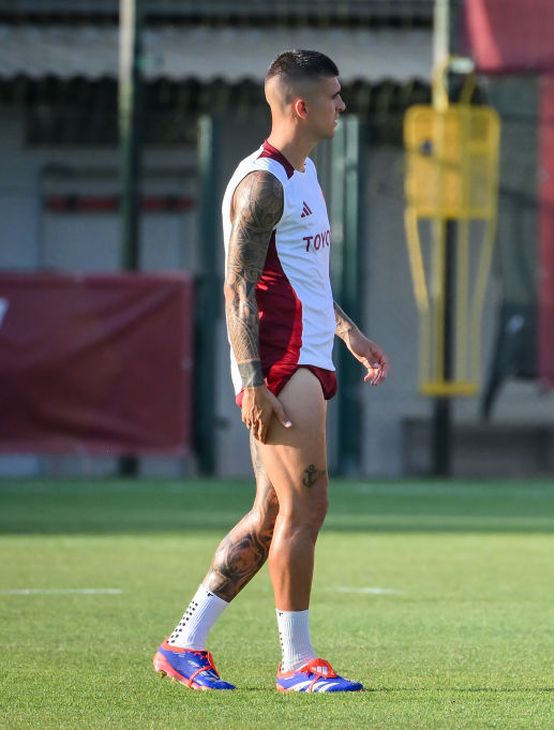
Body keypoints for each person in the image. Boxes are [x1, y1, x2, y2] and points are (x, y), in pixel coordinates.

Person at [153, 49, 389, 693]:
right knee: (307, 507)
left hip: (308, 354)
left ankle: (184, 644)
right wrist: (253, 381)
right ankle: (295, 662)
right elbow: (236, 289)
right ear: (301, 105)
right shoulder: (263, 183)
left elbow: (304, 276)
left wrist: (350, 333)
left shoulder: (305, 173)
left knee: (268, 517)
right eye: (335, 96)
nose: (344, 106)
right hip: (282, 364)